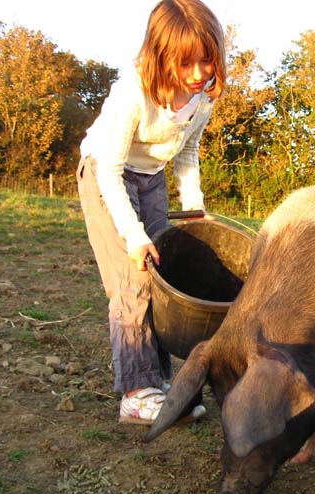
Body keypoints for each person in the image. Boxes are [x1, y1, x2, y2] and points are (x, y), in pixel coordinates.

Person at [76, 0, 226, 424]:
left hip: (151, 176)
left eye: (207, 60)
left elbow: (188, 151)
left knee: (164, 275)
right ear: (162, 57)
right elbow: (109, 168)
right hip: (107, 173)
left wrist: (193, 207)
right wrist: (133, 234)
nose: (199, 73)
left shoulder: (201, 98)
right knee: (135, 275)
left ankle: (160, 384)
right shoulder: (134, 92)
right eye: (188, 63)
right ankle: (136, 393)